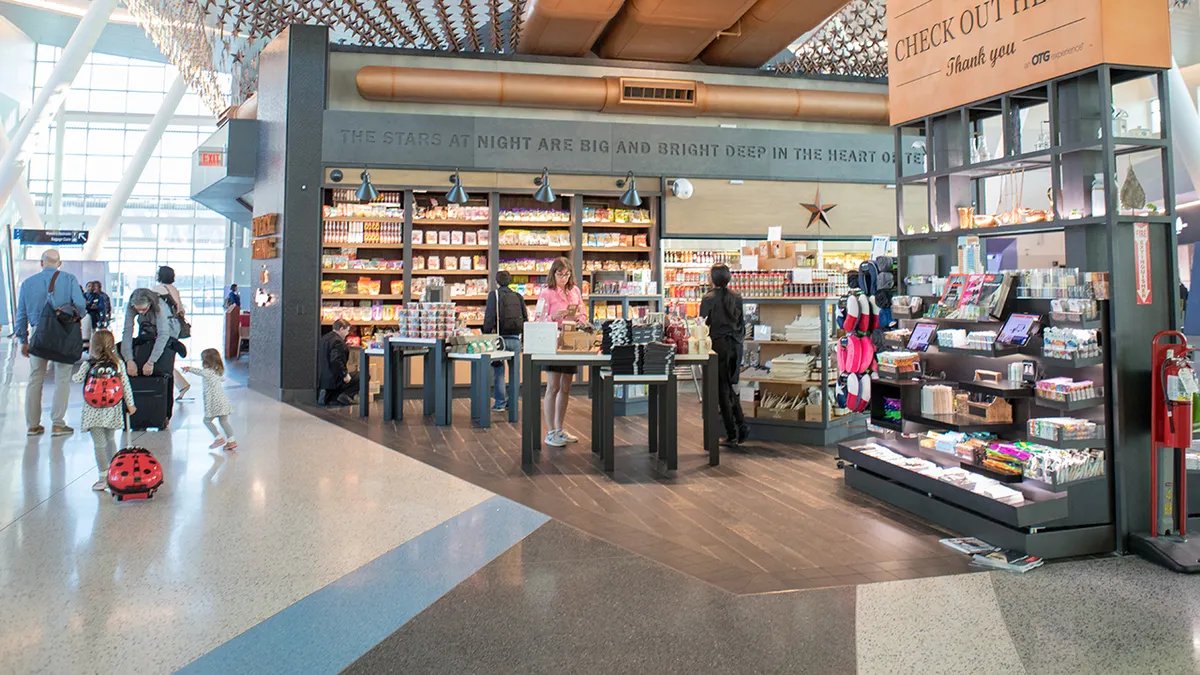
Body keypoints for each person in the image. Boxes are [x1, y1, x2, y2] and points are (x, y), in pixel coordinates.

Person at [15, 248, 87, 436]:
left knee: (35, 378)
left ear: (41, 263)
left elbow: (21, 314)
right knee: (62, 378)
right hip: (63, 332)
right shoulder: (69, 279)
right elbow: (81, 305)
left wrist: (23, 339)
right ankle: (57, 423)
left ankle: (33, 425)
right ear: (59, 263)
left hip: (39, 334)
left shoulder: (28, 284)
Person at [72, 330, 135, 491]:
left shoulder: (89, 364)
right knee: (111, 440)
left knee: (99, 445)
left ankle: (102, 477)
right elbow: (125, 385)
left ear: (93, 346)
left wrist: (74, 376)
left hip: (93, 412)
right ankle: (115, 472)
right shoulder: (118, 364)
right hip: (112, 410)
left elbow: (78, 379)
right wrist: (131, 404)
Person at [536, 257, 587, 448]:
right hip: (553, 341)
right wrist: (552, 316)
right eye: (560, 274)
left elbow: (582, 313)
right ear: (553, 273)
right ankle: (550, 431)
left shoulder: (574, 291)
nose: (563, 278)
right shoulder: (546, 293)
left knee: (566, 386)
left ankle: (560, 428)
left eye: (566, 274)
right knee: (553, 386)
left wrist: (578, 317)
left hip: (571, 340)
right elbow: (538, 319)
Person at [700, 263, 749, 447]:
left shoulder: (708, 298)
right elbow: (742, 323)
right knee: (730, 386)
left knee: (722, 389)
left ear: (713, 278)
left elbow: (703, 325)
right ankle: (741, 426)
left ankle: (732, 433)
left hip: (719, 346)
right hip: (736, 345)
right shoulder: (737, 297)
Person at [482, 270, 527, 412]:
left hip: (499, 339)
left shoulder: (494, 295)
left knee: (498, 371)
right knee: (515, 372)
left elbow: (489, 317)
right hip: (515, 339)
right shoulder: (518, 296)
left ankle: (500, 403)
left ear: (496, 282)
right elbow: (525, 318)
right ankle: (513, 403)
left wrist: (486, 334)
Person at [183, 348, 237, 450]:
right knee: (224, 422)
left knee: (207, 421)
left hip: (214, 403)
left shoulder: (207, 372)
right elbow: (222, 379)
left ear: (206, 361)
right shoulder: (217, 371)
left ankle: (218, 438)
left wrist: (188, 368)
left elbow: (199, 372)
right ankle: (231, 440)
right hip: (223, 402)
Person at [120, 287, 179, 377]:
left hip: (169, 329)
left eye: (144, 309)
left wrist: (151, 362)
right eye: (137, 310)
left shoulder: (159, 305)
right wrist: (129, 360)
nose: (140, 312)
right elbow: (127, 331)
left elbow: (163, 334)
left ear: (150, 304)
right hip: (147, 327)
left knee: (163, 363)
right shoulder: (131, 305)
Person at [151, 266, 190, 399]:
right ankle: (182, 384)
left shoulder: (157, 289)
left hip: (162, 327)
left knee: (160, 357)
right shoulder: (174, 290)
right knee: (168, 356)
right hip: (175, 326)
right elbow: (181, 309)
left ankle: (177, 385)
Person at [318, 318, 358, 406]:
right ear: (341, 329)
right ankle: (343, 395)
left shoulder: (324, 338)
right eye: (347, 330)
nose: (347, 334)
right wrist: (344, 374)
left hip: (323, 378)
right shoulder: (338, 341)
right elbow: (336, 360)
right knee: (362, 375)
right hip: (334, 379)